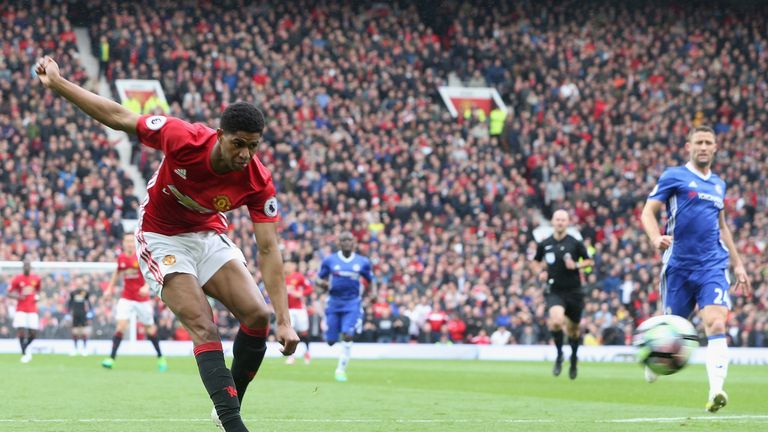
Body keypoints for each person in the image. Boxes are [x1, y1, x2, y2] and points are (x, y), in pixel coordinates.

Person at [36, 56, 299, 432]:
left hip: (207, 234)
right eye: (239, 144)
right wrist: (59, 84)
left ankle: (231, 398)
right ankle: (232, 423)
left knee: (258, 316)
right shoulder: (183, 137)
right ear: (220, 134)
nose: (245, 155)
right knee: (204, 328)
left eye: (253, 147)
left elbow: (270, 250)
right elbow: (119, 116)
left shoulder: (258, 180)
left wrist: (285, 321)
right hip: (160, 236)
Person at [641, 125, 751, 413]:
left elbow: (722, 226)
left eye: (708, 142)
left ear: (715, 148)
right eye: (698, 142)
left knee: (716, 322)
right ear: (688, 146)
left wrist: (738, 263)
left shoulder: (718, 184)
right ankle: (653, 356)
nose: (703, 147)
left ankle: (716, 390)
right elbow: (647, 211)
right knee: (671, 328)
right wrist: (655, 237)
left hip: (712, 264)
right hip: (678, 265)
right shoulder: (673, 176)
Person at [531, 210, 594, 379]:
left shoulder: (575, 243)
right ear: (552, 221)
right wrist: (540, 273)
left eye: (563, 220)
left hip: (574, 291)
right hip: (554, 290)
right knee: (557, 321)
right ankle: (559, 355)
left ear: (567, 223)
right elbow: (535, 262)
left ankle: (573, 358)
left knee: (573, 331)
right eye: (557, 219)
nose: (560, 222)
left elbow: (589, 261)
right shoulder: (545, 244)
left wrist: (576, 265)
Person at [101, 233, 167, 371]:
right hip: (126, 297)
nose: (129, 243)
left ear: (134, 242)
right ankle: (111, 359)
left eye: (131, 241)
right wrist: (109, 289)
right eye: (127, 241)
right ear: (123, 243)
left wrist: (146, 286)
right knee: (121, 326)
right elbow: (117, 273)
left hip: (142, 299)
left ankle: (160, 357)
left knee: (149, 329)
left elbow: (152, 272)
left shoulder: (141, 256)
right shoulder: (121, 258)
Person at [316, 231, 374, 382]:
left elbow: (371, 280)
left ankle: (340, 369)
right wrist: (322, 285)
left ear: (354, 243)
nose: (347, 242)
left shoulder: (362, 262)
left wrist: (373, 294)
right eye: (344, 240)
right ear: (339, 243)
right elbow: (319, 280)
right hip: (334, 303)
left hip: (352, 303)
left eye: (350, 240)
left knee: (348, 334)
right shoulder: (330, 261)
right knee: (331, 341)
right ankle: (334, 335)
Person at [8, 259, 42, 363]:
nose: (27, 267)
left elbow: (38, 291)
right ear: (23, 267)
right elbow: (9, 293)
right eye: (25, 266)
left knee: (33, 332)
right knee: (21, 330)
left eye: (28, 266)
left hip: (32, 309)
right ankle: (24, 353)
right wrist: (18, 296)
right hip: (21, 309)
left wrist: (37, 297)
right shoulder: (17, 279)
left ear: (30, 267)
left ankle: (25, 348)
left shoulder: (36, 279)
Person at [284, 259, 313, 365]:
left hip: (299, 309)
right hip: (288, 309)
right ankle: (291, 356)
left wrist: (300, 293)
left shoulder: (299, 276)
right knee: (290, 333)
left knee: (304, 332)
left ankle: (307, 352)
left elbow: (309, 289)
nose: (289, 267)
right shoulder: (282, 278)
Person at [67, 278, 93, 356]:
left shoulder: (85, 293)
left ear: (82, 283)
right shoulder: (73, 293)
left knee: (83, 331)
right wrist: (69, 312)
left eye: (80, 282)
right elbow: (70, 304)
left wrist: (90, 312)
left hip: (83, 314)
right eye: (77, 282)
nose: (79, 284)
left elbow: (88, 303)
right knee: (75, 331)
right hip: (75, 314)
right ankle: (75, 348)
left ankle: (84, 349)